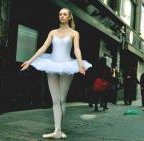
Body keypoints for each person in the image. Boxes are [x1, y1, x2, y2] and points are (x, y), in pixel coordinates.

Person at [20, 8, 92, 139]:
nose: (62, 16)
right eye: (60, 14)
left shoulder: (74, 33)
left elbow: (77, 49)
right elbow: (43, 47)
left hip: (67, 65)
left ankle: (59, 129)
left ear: (69, 17)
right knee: (55, 100)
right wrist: (30, 61)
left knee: (62, 99)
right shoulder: (53, 32)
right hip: (51, 64)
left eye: (65, 14)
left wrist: (80, 64)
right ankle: (57, 130)